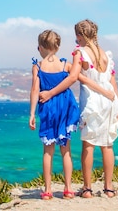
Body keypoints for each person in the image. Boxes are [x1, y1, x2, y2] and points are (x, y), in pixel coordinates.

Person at [39, 19, 118, 199]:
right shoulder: (106, 55)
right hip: (110, 100)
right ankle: (108, 188)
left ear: (79, 35)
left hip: (93, 101)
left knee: (89, 145)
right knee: (107, 145)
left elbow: (73, 77)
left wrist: (49, 93)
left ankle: (87, 188)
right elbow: (112, 81)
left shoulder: (80, 53)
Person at [29, 29, 81, 200]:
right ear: (58, 47)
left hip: (48, 109)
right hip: (64, 108)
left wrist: (32, 114)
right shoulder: (65, 65)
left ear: (40, 48)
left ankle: (47, 190)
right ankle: (68, 189)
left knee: (47, 151)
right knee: (66, 150)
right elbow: (79, 74)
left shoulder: (37, 67)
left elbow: (35, 90)